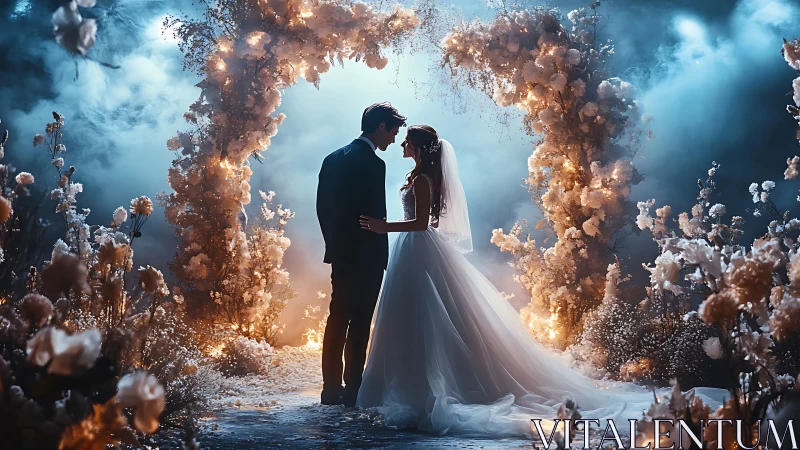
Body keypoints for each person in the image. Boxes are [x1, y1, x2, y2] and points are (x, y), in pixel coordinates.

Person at [357, 125, 728, 437]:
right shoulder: (420, 175)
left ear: (419, 148)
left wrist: (382, 227)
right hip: (418, 249)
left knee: (428, 318)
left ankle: (425, 385)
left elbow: (423, 224)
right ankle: (411, 381)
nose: (403, 145)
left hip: (418, 246)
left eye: (407, 141)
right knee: (417, 318)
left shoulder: (422, 179)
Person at [315, 102, 406, 407]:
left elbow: (323, 208)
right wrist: (378, 243)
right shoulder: (374, 163)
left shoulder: (331, 158)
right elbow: (375, 217)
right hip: (366, 256)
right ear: (380, 126)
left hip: (341, 254)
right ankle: (353, 388)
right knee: (360, 323)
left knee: (337, 318)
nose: (393, 139)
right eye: (392, 132)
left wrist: (334, 245)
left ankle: (330, 390)